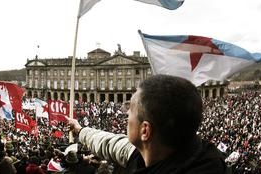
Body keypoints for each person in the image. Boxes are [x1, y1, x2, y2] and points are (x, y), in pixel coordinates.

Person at [68, 74, 226, 173]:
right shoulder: (145, 152)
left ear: (145, 130)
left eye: (131, 109)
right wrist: (80, 131)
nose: (127, 113)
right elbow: (111, 144)